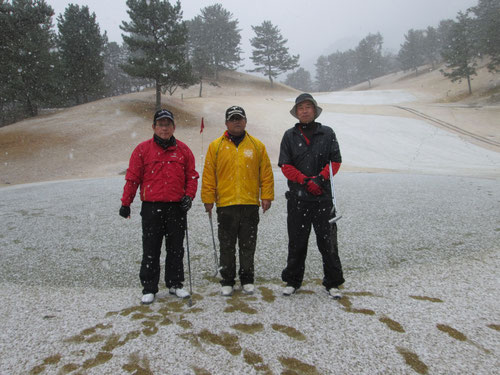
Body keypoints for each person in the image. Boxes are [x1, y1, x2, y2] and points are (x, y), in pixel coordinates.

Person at [119, 109, 199, 305]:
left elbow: (192, 176)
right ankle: (149, 287)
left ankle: (175, 284)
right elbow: (132, 178)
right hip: (151, 208)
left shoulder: (183, 150)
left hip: (176, 208)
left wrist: (189, 196)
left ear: (174, 127)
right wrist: (125, 203)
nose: (164, 128)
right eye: (161, 124)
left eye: (168, 124)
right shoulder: (142, 150)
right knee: (151, 249)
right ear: (154, 127)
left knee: (176, 249)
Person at [201, 106, 274, 296]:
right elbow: (209, 175)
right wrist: (208, 199)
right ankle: (227, 280)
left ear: (245, 121)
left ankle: (247, 279)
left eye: (239, 118)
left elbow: (265, 173)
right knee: (226, 244)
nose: (236, 122)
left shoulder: (257, 145)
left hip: (250, 204)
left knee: (248, 244)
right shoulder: (215, 146)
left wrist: (266, 196)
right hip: (225, 205)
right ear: (226, 123)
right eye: (232, 119)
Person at [278, 93, 345, 299]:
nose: (305, 111)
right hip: (298, 199)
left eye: (308, 107)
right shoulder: (289, 136)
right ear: (296, 112)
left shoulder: (327, 133)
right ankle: (293, 281)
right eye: (301, 108)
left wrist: (320, 179)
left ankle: (332, 282)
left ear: (314, 110)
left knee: (328, 242)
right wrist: (305, 181)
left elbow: (335, 162)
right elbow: (285, 165)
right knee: (297, 242)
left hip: (323, 199)